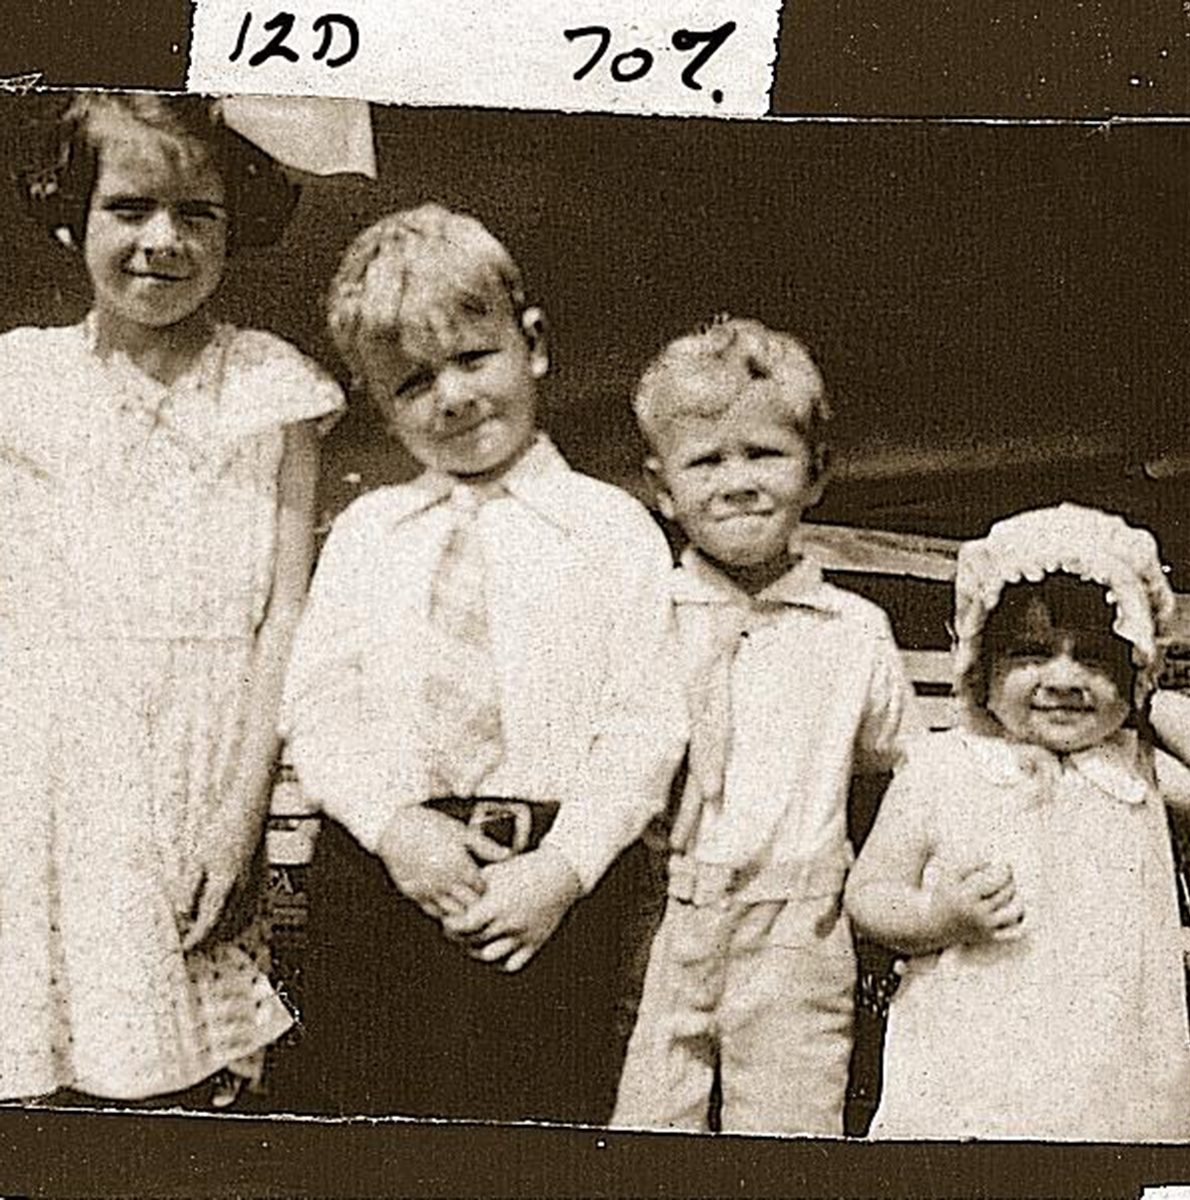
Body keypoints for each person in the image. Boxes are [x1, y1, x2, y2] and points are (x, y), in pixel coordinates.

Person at [279, 203, 685, 1122]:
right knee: (369, 1135)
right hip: (385, 876)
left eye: (473, 358)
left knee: (531, 1135)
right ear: (378, 401)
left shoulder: (610, 529)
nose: (453, 397)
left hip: (548, 886)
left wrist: (564, 868)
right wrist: (395, 826)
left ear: (531, 344)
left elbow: (644, 721)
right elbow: (321, 704)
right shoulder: (369, 533)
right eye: (413, 382)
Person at [0, 93, 346, 1106]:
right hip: (40, 776)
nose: (163, 240)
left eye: (197, 214)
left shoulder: (271, 390)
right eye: (129, 208)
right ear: (71, 218)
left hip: (197, 774)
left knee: (176, 1076)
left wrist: (239, 818)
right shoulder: (18, 381)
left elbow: (285, 615)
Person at [609, 316, 915, 1135]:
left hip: (798, 926)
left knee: (788, 1137)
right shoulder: (646, 617)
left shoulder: (853, 632)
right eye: (706, 461)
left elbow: (900, 771)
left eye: (764, 454)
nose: (737, 481)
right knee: (645, 1129)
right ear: (663, 488)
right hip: (660, 912)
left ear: (817, 472)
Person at [845, 503, 1190, 1140]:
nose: (1063, 678)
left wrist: (1154, 700)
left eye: (1096, 658)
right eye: (1031, 653)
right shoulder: (943, 765)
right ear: (980, 668)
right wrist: (938, 918)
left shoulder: (1136, 768)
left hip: (1118, 1079)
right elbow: (869, 894)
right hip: (976, 1070)